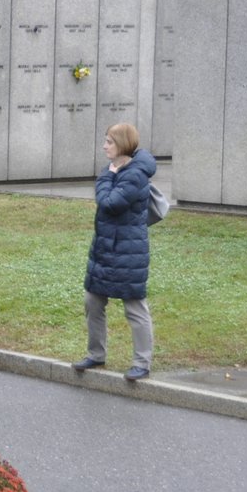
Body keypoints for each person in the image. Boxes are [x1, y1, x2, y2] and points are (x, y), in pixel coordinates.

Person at [74, 122, 157, 381]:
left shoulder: (134, 174)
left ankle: (142, 362)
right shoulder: (115, 170)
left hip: (128, 252)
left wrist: (107, 177)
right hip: (105, 248)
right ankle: (96, 354)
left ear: (122, 144)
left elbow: (110, 203)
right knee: (93, 301)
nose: (104, 146)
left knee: (134, 306)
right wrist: (108, 176)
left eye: (109, 141)